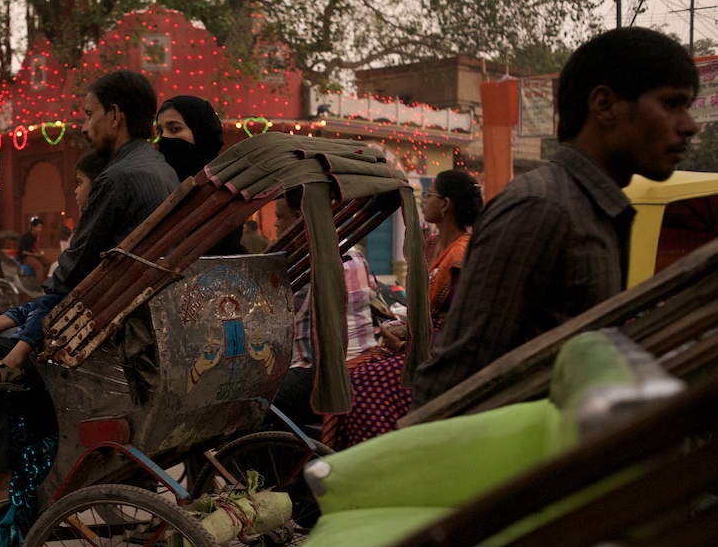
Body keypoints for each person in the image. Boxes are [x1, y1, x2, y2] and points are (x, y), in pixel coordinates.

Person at [412, 27, 700, 408]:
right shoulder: (541, 208)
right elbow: (453, 380)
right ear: (604, 105)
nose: (690, 125)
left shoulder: (598, 211)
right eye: (672, 104)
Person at [0, 69, 179, 513]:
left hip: (109, 330)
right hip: (140, 311)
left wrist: (38, 304)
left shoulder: (118, 177)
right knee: (20, 315)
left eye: (89, 114)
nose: (85, 126)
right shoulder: (162, 170)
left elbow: (72, 269)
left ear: (115, 116)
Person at [323, 169, 481, 448]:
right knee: (347, 371)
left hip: (439, 355)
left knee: (359, 385)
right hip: (421, 343)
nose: (424, 201)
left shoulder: (460, 253)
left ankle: (380, 456)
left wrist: (409, 343)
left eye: (429, 195)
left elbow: (458, 322)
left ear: (445, 205)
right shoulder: (436, 246)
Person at [271, 185, 375, 430]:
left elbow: (276, 322)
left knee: (252, 400)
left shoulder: (307, 262)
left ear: (300, 218)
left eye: (280, 217)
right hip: (363, 358)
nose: (276, 225)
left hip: (319, 371)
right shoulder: (355, 252)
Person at [155, 94, 245, 255]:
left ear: (201, 131)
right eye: (160, 132)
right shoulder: (162, 179)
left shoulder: (219, 182)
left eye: (175, 129)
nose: (165, 138)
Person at [18, 215, 46, 284]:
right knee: (39, 267)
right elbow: (22, 251)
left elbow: (34, 248)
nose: (40, 229)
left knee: (49, 262)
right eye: (39, 227)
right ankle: (41, 286)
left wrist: (38, 253)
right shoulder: (26, 237)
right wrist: (34, 254)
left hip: (34, 255)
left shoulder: (35, 236)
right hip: (26, 257)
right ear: (33, 227)